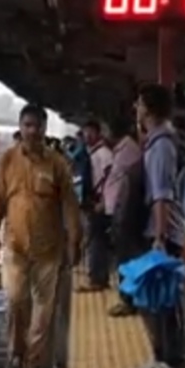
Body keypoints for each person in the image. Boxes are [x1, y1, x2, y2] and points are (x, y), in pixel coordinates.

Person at [0, 104, 82, 368]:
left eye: (37, 126)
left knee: (44, 309)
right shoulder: (6, 161)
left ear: (44, 128)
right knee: (17, 301)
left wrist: (75, 240)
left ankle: (33, 361)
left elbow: (70, 205)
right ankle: (16, 353)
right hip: (15, 248)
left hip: (49, 250)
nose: (32, 131)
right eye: (27, 125)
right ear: (20, 126)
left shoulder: (57, 164)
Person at [129, 84, 185, 368]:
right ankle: (158, 358)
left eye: (139, 104)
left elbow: (162, 196)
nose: (136, 110)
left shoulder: (163, 144)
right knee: (154, 301)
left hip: (165, 232)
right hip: (158, 230)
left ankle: (173, 365)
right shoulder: (156, 142)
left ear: (149, 110)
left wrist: (160, 237)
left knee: (167, 302)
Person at [105, 118, 145, 317]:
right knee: (123, 258)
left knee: (126, 259)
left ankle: (128, 300)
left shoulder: (129, 151)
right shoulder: (122, 150)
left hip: (126, 214)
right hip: (120, 211)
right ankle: (127, 297)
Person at [77, 120, 114, 292]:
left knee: (96, 240)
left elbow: (110, 179)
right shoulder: (91, 153)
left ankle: (97, 278)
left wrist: (104, 202)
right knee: (94, 239)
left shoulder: (104, 153)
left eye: (90, 132)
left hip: (100, 203)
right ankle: (97, 276)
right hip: (93, 202)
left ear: (98, 133)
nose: (87, 136)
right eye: (85, 133)